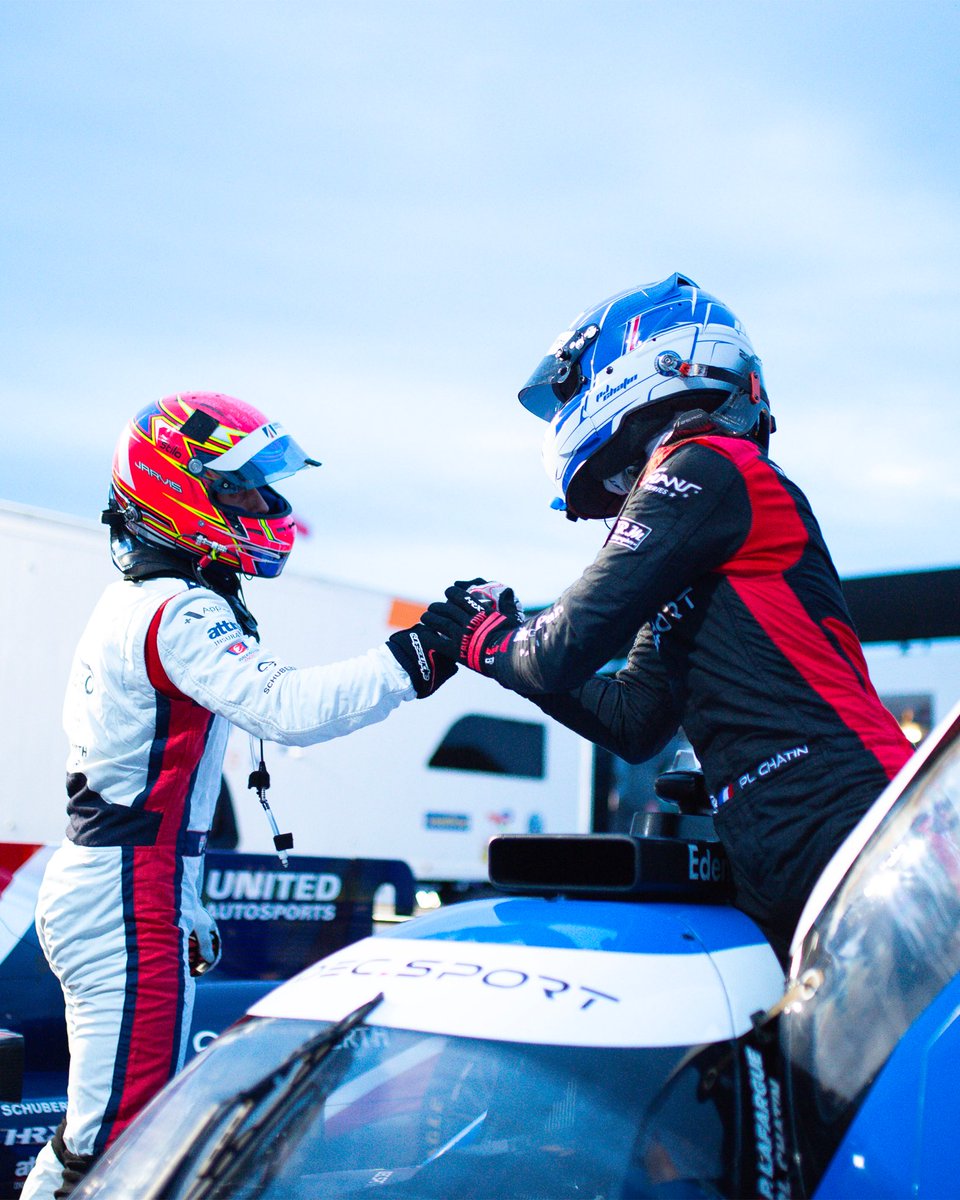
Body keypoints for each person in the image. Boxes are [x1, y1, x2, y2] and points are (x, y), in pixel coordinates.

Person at [22, 391, 451, 1199]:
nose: (263, 503)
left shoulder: (145, 600)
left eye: (263, 484)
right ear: (178, 490)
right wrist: (424, 651)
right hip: (127, 889)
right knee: (122, 1144)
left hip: (130, 881)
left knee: (103, 1135)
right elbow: (286, 710)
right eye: (241, 486)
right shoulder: (173, 608)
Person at [423, 273, 914, 962]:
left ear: (643, 360)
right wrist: (502, 651)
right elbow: (634, 719)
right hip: (773, 828)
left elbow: (558, 650)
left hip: (842, 813)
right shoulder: (694, 504)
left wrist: (488, 639)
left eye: (571, 390)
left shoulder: (709, 464)